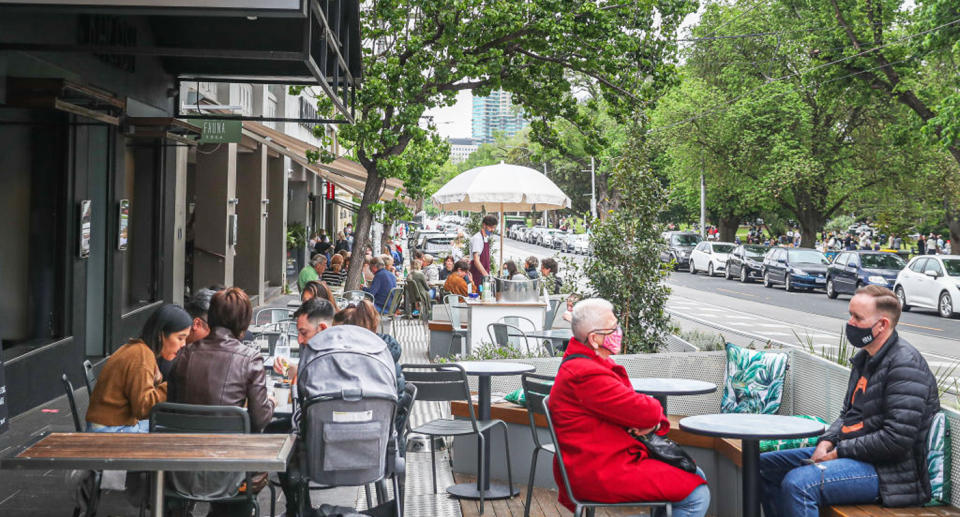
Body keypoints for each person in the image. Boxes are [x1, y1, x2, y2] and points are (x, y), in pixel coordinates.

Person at [759, 285, 939, 516]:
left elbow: (896, 440)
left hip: (890, 473)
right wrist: (826, 442)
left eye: (857, 317)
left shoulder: (906, 365)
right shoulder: (866, 357)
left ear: (882, 324)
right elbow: (847, 414)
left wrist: (838, 453)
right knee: (763, 467)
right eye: (850, 315)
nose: (850, 323)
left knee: (799, 483)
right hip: (855, 455)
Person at [549, 298, 710, 516]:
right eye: (613, 328)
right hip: (599, 470)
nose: (618, 331)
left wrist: (647, 421)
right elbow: (648, 411)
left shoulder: (585, 363)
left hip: (600, 459)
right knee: (696, 494)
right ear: (594, 338)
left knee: (694, 474)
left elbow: (634, 408)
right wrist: (647, 420)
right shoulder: (586, 374)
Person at [169, 287, 275, 432]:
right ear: (244, 322)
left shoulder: (183, 354)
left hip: (184, 444)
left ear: (211, 317)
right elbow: (259, 420)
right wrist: (271, 402)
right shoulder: (250, 359)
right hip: (228, 448)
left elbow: (172, 407)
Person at [85, 304, 191, 433]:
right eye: (180, 338)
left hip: (110, 425)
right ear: (160, 334)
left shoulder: (138, 349)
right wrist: (174, 384)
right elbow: (144, 408)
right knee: (176, 430)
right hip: (111, 429)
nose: (183, 345)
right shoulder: (141, 355)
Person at [470, 214, 498, 287]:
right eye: (491, 227)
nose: (492, 230)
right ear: (484, 225)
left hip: (484, 277)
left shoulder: (485, 238)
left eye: (494, 228)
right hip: (477, 276)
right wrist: (486, 275)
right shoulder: (477, 238)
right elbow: (476, 260)